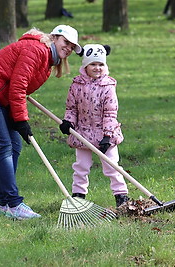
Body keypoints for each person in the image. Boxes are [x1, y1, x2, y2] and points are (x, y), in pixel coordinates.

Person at [0, 25, 82, 220]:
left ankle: (2, 204)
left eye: (72, 46)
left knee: (14, 145)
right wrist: (21, 120)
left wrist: (19, 119)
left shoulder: (47, 61)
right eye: (65, 42)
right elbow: (18, 86)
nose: (68, 48)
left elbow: (19, 88)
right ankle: (14, 204)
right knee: (3, 147)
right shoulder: (35, 50)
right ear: (54, 38)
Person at [59, 44, 129, 208]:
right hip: (82, 133)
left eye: (101, 64)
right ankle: (78, 196)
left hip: (104, 134)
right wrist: (68, 122)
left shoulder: (108, 87)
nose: (97, 68)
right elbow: (72, 108)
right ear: (85, 65)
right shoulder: (76, 85)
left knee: (112, 167)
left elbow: (110, 113)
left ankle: (121, 196)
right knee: (81, 167)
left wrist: (107, 135)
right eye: (93, 64)